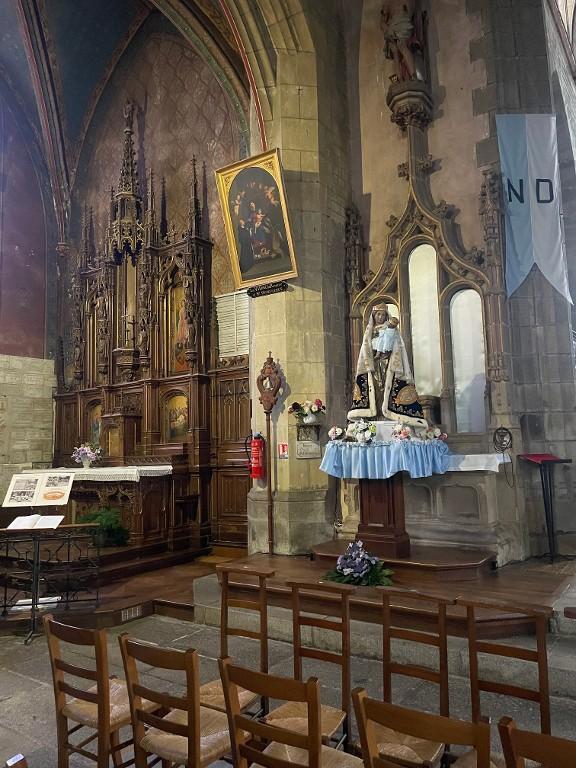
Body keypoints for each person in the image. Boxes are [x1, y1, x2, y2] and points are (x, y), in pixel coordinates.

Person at [347, 304, 427, 427]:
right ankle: (376, 415)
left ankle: (388, 416)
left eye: (383, 314)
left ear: (386, 316)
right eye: (378, 314)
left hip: (388, 365)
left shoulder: (391, 330)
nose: (380, 317)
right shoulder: (369, 331)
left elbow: (394, 347)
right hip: (374, 366)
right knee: (375, 389)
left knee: (386, 388)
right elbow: (365, 351)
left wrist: (388, 333)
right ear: (374, 316)